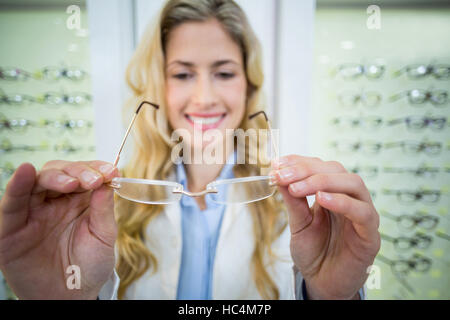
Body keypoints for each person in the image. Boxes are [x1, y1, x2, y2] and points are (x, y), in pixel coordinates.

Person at [0, 0, 380, 300]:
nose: (204, 97)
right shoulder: (102, 212)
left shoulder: (298, 215)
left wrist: (330, 297)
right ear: (158, 85)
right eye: (182, 74)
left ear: (248, 86)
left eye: (224, 72)